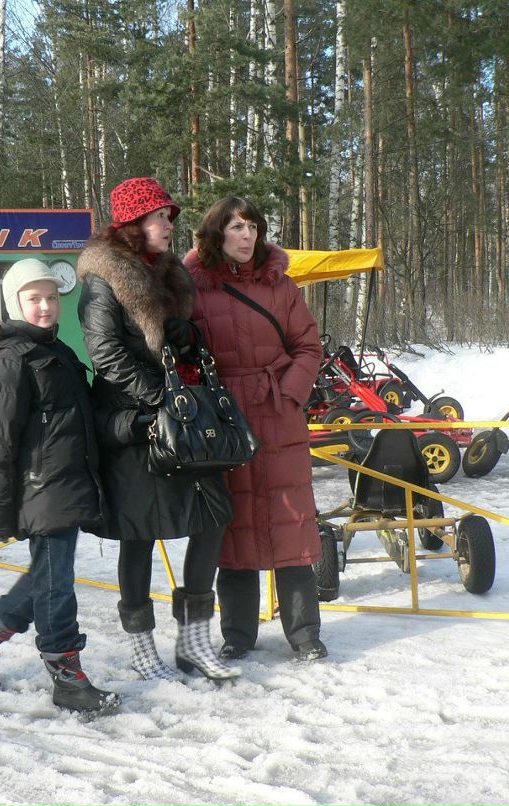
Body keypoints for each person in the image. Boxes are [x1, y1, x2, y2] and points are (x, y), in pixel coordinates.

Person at [76, 177, 240, 682]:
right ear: (132, 224)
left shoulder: (169, 274)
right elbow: (105, 355)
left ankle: (194, 641)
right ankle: (143, 649)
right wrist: (161, 398)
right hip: (139, 424)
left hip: (182, 418)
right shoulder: (102, 280)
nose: (169, 225)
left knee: (212, 520)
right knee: (138, 535)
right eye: (159, 217)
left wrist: (189, 338)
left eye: (170, 216)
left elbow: (178, 347)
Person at [0, 258, 121, 715]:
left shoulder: (56, 352)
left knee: (48, 577)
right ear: (14, 304)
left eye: (50, 297)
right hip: (41, 488)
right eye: (34, 298)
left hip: (64, 484)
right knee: (55, 585)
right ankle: (67, 678)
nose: (45, 306)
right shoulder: (10, 359)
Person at [183, 196, 328, 662]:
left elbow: (309, 345)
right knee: (235, 529)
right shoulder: (193, 289)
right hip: (224, 420)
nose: (247, 237)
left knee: (293, 525)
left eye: (253, 227)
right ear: (216, 234)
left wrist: (289, 394)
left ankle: (304, 634)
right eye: (237, 227)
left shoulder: (281, 286)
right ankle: (238, 635)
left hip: (277, 414)